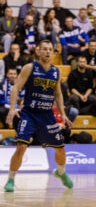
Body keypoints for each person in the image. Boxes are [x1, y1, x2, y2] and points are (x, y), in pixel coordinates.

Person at [3, 40, 73, 192]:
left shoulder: (56, 71)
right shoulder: (30, 68)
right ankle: (10, 179)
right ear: (38, 51)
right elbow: (15, 88)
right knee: (21, 146)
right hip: (29, 113)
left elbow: (58, 94)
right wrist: (12, 108)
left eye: (50, 49)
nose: (47, 52)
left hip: (47, 115)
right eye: (44, 49)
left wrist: (63, 114)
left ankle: (60, 173)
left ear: (53, 53)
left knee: (60, 149)